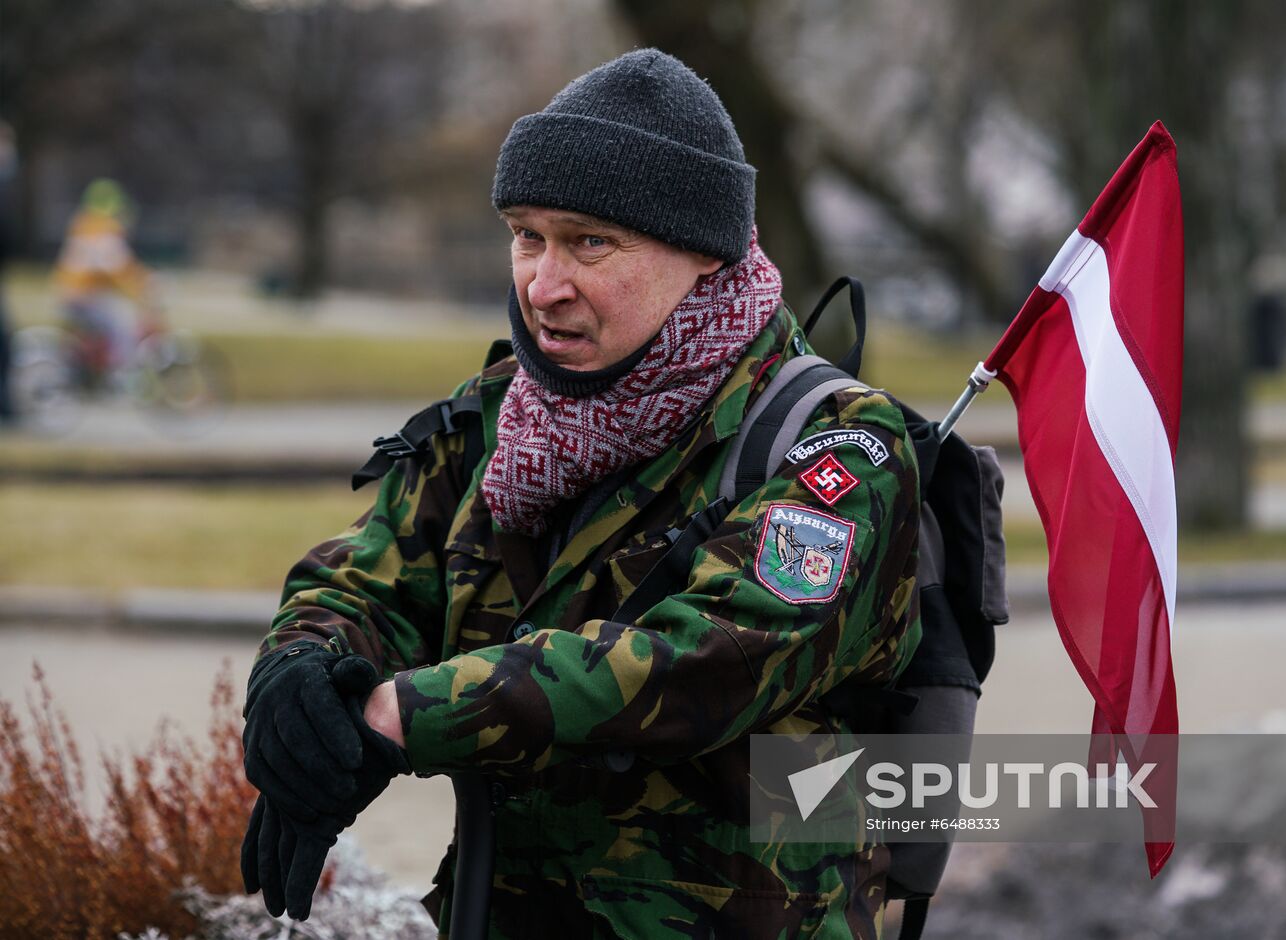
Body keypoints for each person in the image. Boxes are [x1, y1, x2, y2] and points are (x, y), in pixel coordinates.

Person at [239, 49, 922, 938]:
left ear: (704, 254)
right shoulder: (499, 421)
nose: (541, 285)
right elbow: (369, 576)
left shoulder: (836, 445)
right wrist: (301, 681)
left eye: (589, 241)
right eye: (527, 235)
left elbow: (707, 659)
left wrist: (404, 715)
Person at [52, 178, 160, 382]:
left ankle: (101, 369)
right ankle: (121, 375)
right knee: (125, 322)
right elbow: (119, 268)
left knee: (112, 316)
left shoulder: (84, 226)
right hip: (82, 297)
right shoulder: (102, 230)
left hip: (73, 294)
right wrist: (144, 284)